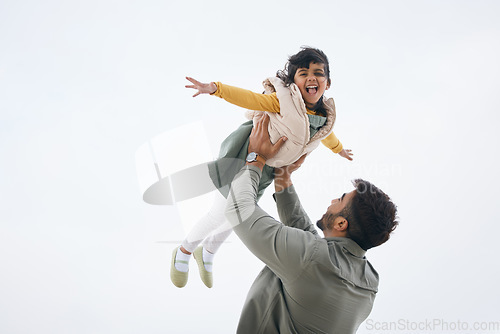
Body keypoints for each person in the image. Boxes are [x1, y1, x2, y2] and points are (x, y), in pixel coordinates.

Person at [171, 47, 353, 288]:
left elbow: (325, 135)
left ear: (327, 83)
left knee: (240, 214)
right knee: (221, 211)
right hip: (245, 157)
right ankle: (183, 251)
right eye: (303, 73)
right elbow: (250, 98)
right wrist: (216, 89)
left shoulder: (321, 117)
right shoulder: (282, 102)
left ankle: (207, 253)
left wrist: (338, 149)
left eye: (318, 73)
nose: (311, 77)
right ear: (294, 82)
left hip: (265, 169)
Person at [224, 114, 399, 333]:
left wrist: (256, 158)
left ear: (341, 223)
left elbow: (239, 210)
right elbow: (311, 246)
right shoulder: (367, 285)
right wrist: (283, 178)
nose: (334, 200)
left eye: (341, 199)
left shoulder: (314, 259)